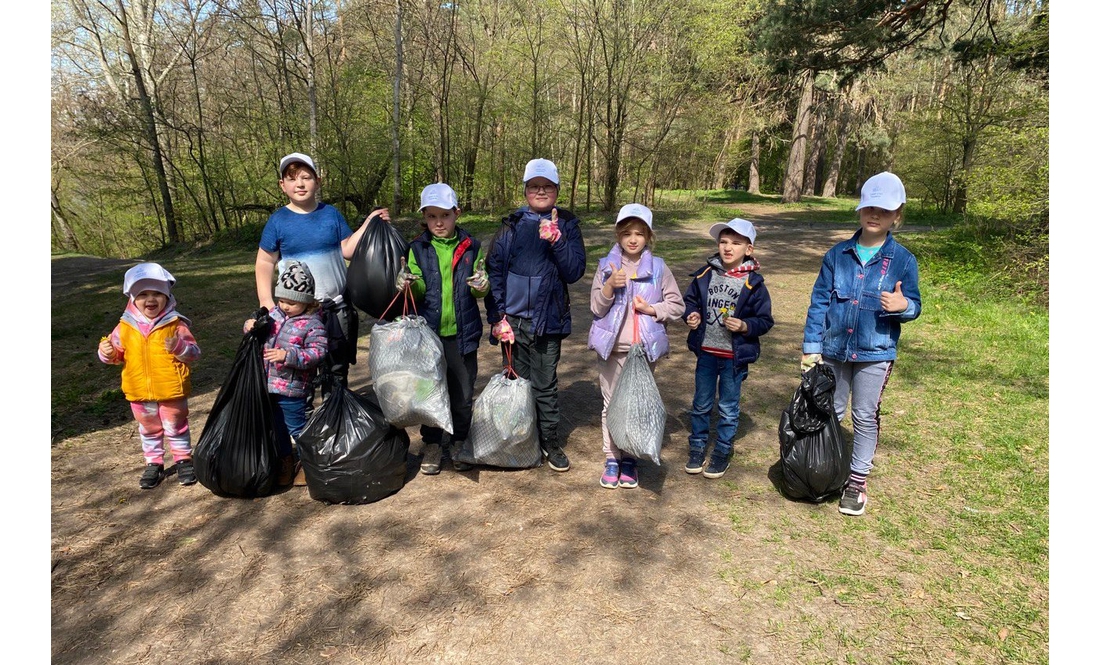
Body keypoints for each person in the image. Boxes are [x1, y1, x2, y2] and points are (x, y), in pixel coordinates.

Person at [801, 171, 921, 517]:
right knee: (832, 412)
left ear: (896, 216)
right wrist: (812, 345)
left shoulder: (903, 261)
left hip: (876, 352)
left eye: (884, 210)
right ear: (860, 209)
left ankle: (856, 482)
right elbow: (819, 301)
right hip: (835, 349)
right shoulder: (837, 255)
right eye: (869, 207)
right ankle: (830, 468)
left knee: (864, 416)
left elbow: (914, 304)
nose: (874, 215)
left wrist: (905, 307)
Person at [255, 152, 389, 393]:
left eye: (306, 177)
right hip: (297, 315)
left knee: (336, 371)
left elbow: (348, 249)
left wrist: (370, 222)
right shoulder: (278, 221)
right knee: (298, 371)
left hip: (336, 309)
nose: (300, 183)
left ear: (318, 181)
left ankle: (335, 421)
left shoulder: (331, 215)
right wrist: (266, 301)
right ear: (282, 185)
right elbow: (265, 262)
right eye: (292, 178)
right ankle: (301, 426)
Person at [485, 158, 587, 472]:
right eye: (534, 186)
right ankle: (521, 438)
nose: (540, 191)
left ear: (556, 189)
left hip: (547, 322)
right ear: (526, 189)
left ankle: (550, 442)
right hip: (512, 323)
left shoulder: (568, 224)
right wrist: (497, 317)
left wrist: (557, 240)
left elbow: (574, 272)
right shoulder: (511, 225)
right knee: (518, 383)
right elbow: (495, 273)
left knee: (545, 386)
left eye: (547, 186)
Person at [396, 183, 491, 475]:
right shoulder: (417, 248)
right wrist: (408, 284)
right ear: (424, 216)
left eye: (445, 215)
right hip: (430, 337)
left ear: (457, 214)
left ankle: (460, 440)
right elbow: (419, 289)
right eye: (432, 215)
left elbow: (478, 288)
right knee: (431, 391)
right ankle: (433, 443)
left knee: (462, 394)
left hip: (463, 335)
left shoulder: (471, 246)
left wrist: (482, 286)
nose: (439, 222)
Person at [588, 203, 684, 489]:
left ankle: (630, 459)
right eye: (627, 232)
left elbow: (677, 305)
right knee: (610, 404)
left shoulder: (659, 268)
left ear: (648, 237)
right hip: (612, 350)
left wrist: (652, 309)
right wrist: (609, 287)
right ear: (618, 234)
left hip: (641, 353)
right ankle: (612, 458)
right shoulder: (606, 266)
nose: (633, 239)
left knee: (635, 405)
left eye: (639, 233)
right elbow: (595, 307)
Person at [682, 218, 774, 479]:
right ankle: (697, 447)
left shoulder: (754, 284)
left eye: (736, 243)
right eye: (723, 241)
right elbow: (690, 302)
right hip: (707, 353)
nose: (728, 247)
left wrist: (745, 326)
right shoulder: (705, 274)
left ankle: (722, 450)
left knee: (728, 407)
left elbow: (765, 320)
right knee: (701, 403)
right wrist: (691, 316)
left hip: (734, 357)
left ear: (749, 249)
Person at [98, 263, 202, 489]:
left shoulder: (176, 325)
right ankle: (154, 463)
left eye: (157, 293)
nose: (150, 299)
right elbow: (116, 355)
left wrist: (179, 347)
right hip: (139, 391)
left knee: (176, 426)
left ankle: (184, 459)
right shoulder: (124, 327)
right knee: (149, 429)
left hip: (171, 388)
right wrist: (108, 353)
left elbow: (194, 353)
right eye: (143, 294)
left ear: (167, 296)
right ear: (133, 299)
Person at [244, 260, 328, 487]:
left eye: (292, 302)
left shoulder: (312, 324)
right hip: (268, 385)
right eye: (282, 300)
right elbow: (259, 332)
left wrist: (288, 356)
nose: (285, 306)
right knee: (277, 427)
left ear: (307, 301)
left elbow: (318, 353)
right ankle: (286, 461)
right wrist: (251, 325)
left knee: (297, 428)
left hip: (293, 388)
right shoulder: (274, 315)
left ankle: (308, 464)